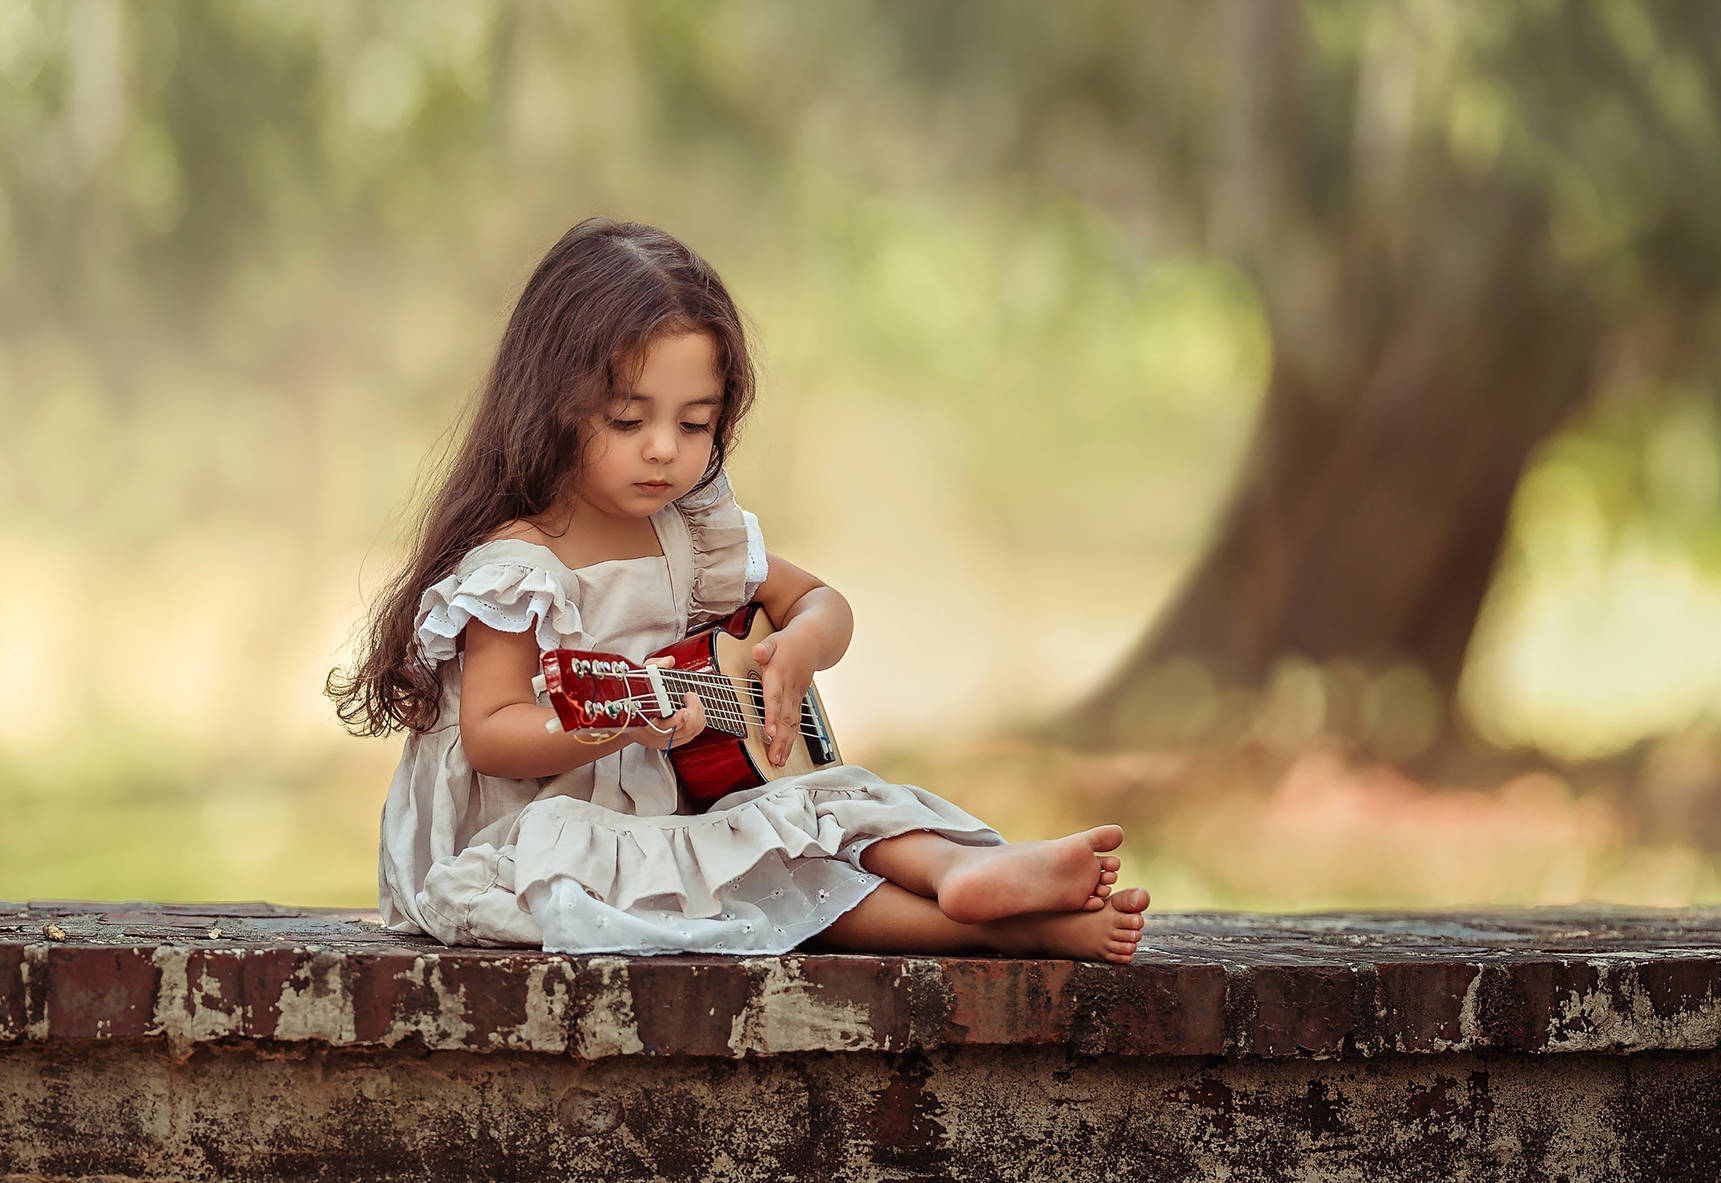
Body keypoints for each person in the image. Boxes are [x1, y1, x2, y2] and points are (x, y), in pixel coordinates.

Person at [327, 217, 1149, 962]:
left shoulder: (693, 533)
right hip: (542, 835)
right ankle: (1017, 927)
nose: (663, 451)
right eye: (627, 420)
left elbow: (824, 601)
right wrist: (614, 727)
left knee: (820, 802)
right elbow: (492, 733)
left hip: (675, 802)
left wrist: (799, 647)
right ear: (550, 403)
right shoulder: (518, 567)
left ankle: (960, 870)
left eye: (694, 424)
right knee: (759, 873)